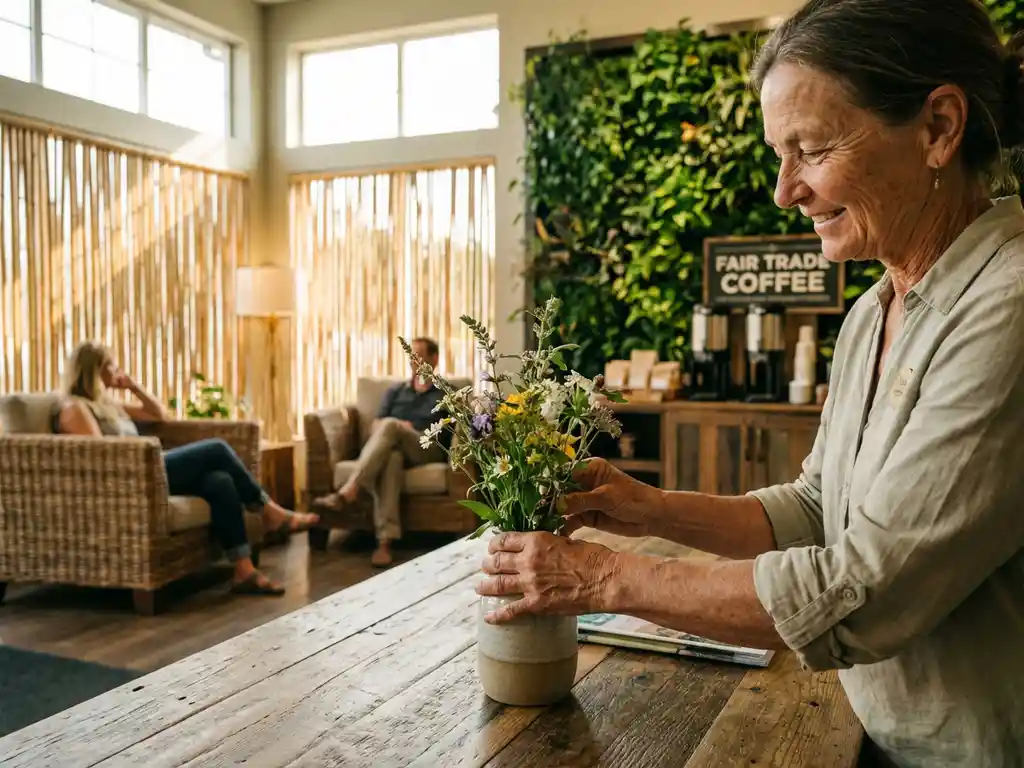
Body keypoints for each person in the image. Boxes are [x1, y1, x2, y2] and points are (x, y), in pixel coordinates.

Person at [476, 1, 1024, 765]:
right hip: (873, 736)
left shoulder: (1010, 307)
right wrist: (650, 508)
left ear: (937, 128)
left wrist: (599, 577)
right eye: (779, 153)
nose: (784, 189)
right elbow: (815, 508)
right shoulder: (875, 309)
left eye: (811, 148)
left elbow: (866, 593)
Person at [53, 340, 319, 595]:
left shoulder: (108, 405)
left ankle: (244, 570)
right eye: (110, 364)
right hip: (130, 476)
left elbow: (159, 415)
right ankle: (268, 511)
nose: (116, 369)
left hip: (148, 469)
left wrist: (133, 387)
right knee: (216, 448)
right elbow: (100, 457)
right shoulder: (75, 409)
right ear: (93, 370)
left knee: (220, 481)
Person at [311, 337, 449, 568]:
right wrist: (396, 429)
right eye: (411, 356)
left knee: (391, 425)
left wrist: (405, 429)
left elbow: (448, 431)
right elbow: (376, 426)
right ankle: (384, 543)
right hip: (394, 448)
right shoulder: (396, 391)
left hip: (426, 448)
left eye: (420, 356)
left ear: (434, 359)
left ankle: (350, 491)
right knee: (391, 457)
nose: (414, 361)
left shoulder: (445, 392)